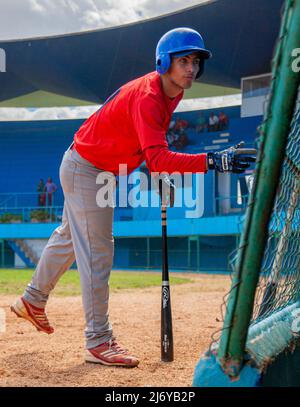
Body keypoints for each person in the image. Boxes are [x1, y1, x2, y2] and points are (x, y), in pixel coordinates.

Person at [10, 27, 255, 368]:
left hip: (94, 165)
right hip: (88, 168)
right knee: (98, 250)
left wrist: (170, 165)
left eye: (195, 61)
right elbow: (157, 158)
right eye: (183, 60)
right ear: (164, 62)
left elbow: (151, 150)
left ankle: (32, 300)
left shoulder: (173, 91)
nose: (190, 68)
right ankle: (98, 340)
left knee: (69, 238)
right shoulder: (149, 95)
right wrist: (214, 159)